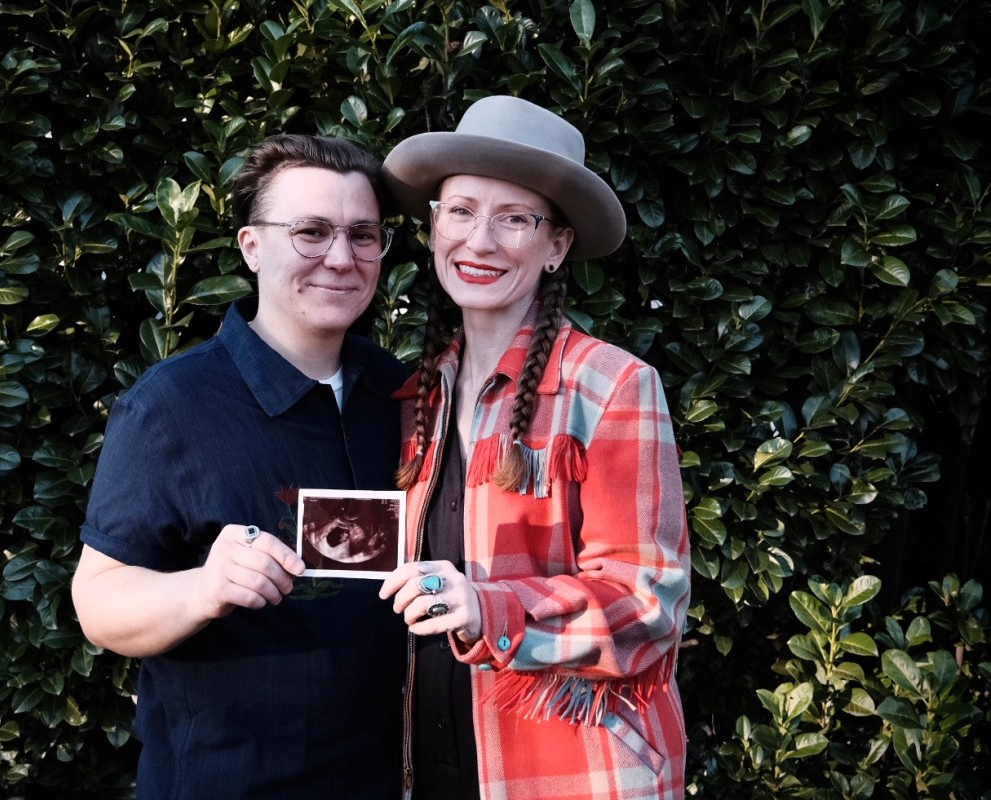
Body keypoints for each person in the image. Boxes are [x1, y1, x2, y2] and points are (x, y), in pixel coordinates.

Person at [71, 134, 408, 799]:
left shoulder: (394, 392)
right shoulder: (172, 406)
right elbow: (97, 602)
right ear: (252, 247)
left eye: (363, 235)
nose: (340, 258)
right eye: (311, 232)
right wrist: (200, 588)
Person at [378, 96, 691, 800]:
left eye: (514, 218)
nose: (479, 241)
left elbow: (650, 605)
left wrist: (492, 607)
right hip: (432, 765)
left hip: (571, 774)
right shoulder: (417, 396)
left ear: (556, 246)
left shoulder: (612, 386)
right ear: (433, 228)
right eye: (459, 211)